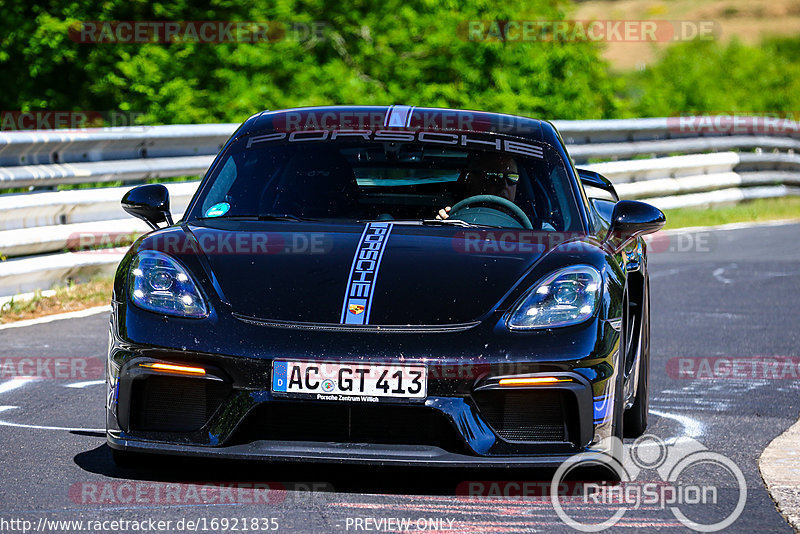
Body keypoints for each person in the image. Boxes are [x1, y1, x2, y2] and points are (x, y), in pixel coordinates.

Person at [436, 152, 520, 220]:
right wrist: (443, 225)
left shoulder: (529, 225)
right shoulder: (454, 216)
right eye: (495, 177)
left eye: (512, 178)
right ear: (472, 180)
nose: (504, 185)